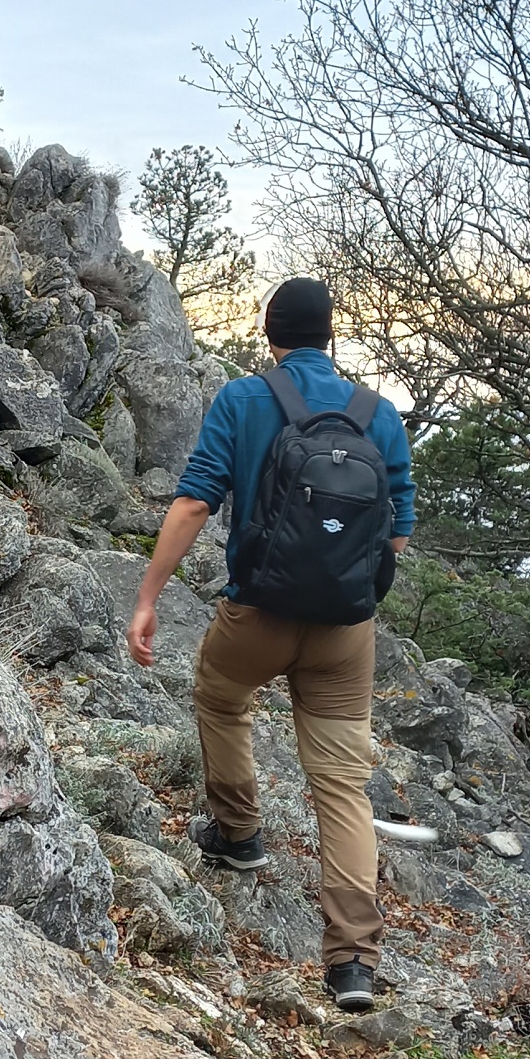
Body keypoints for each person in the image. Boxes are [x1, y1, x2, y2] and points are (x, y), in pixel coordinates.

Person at [126, 276, 413, 1012]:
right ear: (330, 336)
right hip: (345, 633)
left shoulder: (244, 400)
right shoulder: (377, 416)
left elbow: (193, 501)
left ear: (271, 334)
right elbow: (398, 533)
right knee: (342, 787)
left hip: (257, 613)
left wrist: (150, 597)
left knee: (221, 697)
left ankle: (239, 830)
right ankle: (352, 963)